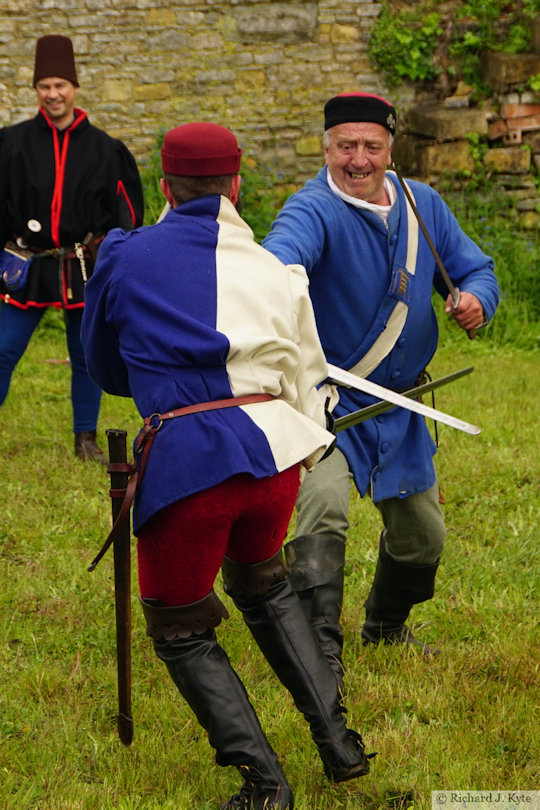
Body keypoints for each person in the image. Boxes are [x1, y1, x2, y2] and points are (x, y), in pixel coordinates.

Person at [81, 122, 373, 810]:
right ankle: (340, 744)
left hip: (189, 468)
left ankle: (265, 784)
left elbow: (103, 366)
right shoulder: (276, 268)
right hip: (272, 462)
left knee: (179, 628)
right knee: (265, 586)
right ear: (237, 184)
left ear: (165, 185)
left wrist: (161, 378)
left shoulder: (124, 256)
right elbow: (307, 379)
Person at [262, 92, 499, 682]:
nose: (359, 160)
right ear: (326, 148)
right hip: (330, 404)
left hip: (402, 406)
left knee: (423, 537)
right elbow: (277, 263)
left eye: (372, 146)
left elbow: (477, 268)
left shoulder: (423, 204)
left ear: (391, 149)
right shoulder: (310, 208)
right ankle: (316, 648)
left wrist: (476, 301)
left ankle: (386, 627)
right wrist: (275, 283)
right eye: (347, 146)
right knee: (323, 511)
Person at [0, 34, 143, 462]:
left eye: (60, 85)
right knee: (3, 348)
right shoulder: (10, 144)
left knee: (85, 356)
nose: (53, 94)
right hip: (26, 265)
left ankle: (85, 441)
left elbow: (127, 214)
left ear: (75, 88)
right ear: (36, 91)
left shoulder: (106, 150)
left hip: (83, 266)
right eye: (45, 86)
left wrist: (119, 263)